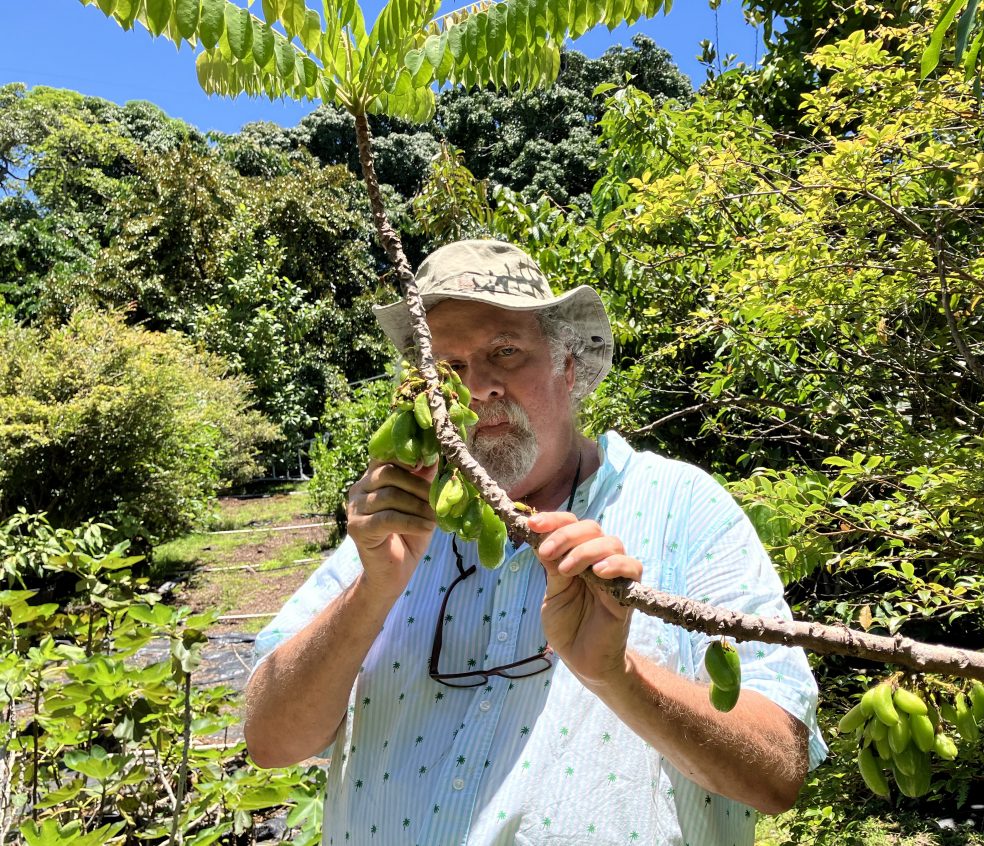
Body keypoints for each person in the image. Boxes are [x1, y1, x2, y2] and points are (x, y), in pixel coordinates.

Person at [245, 239, 826, 845]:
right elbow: (270, 740)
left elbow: (778, 771)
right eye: (450, 367)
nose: (479, 388)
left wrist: (618, 675)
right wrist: (373, 591)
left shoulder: (681, 506)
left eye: (505, 351)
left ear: (567, 366)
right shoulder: (400, 526)